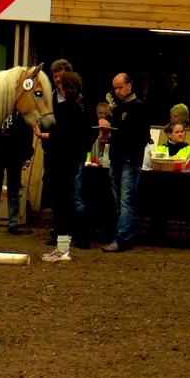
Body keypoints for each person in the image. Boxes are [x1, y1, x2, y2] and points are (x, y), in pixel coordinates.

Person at [99, 72, 148, 253]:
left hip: (128, 160)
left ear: (129, 86)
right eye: (115, 88)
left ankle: (121, 238)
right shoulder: (118, 109)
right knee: (120, 200)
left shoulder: (139, 108)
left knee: (125, 200)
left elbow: (142, 136)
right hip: (117, 158)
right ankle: (123, 236)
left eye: (120, 87)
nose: (117, 91)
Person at [42, 71, 88, 262]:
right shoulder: (78, 108)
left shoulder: (67, 110)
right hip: (69, 161)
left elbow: (59, 135)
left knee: (62, 204)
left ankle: (62, 249)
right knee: (64, 203)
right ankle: (62, 247)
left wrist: (41, 133)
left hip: (61, 161)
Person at [0, 111, 34, 235]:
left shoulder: (22, 114)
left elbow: (28, 134)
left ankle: (13, 223)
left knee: (14, 190)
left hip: (14, 156)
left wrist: (27, 155)